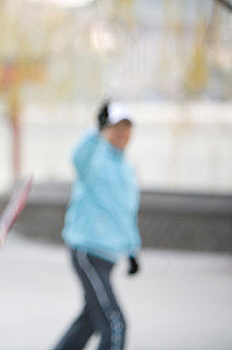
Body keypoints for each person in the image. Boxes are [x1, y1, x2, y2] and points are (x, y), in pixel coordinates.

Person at [52, 101, 141, 350]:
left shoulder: (127, 168)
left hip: (110, 255)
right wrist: (95, 130)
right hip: (87, 250)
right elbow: (77, 157)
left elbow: (126, 213)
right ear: (106, 129)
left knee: (91, 318)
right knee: (115, 324)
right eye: (116, 127)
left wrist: (133, 250)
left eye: (127, 128)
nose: (122, 133)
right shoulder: (94, 158)